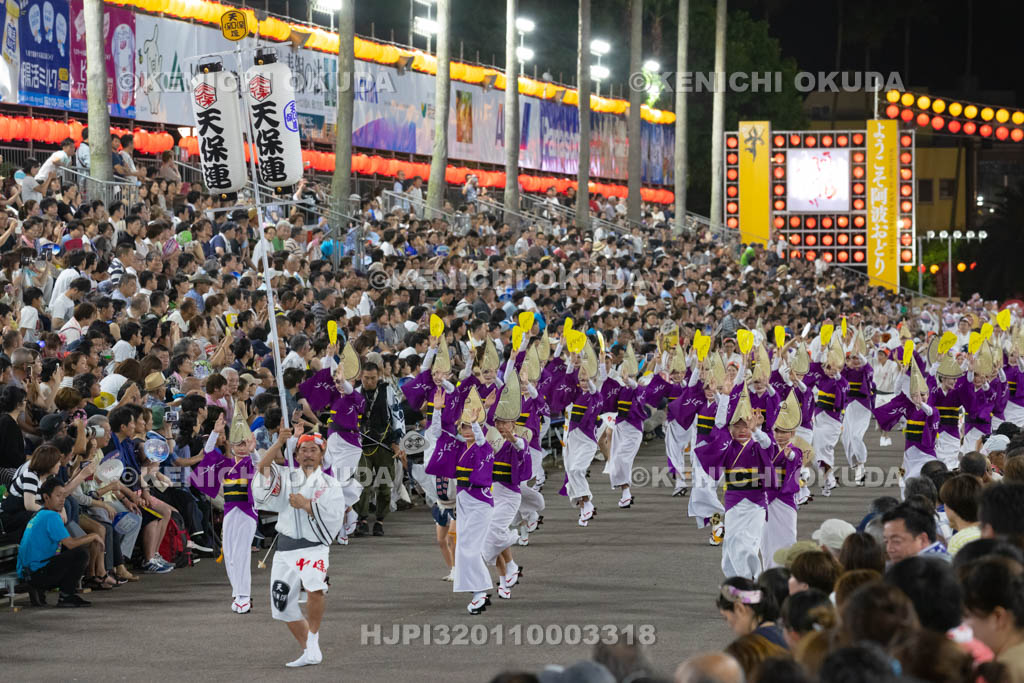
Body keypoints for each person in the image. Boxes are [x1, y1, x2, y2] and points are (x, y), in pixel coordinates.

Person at [252, 427, 345, 668]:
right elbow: (262, 468)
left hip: (313, 548)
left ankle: (313, 637)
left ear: (321, 454)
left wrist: (307, 506)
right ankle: (309, 650)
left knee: (315, 588)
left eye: (313, 450)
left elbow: (335, 516)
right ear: (296, 454)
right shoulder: (287, 477)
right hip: (285, 550)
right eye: (303, 450)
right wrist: (280, 442)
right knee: (281, 606)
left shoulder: (329, 483)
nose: (308, 454)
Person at [17, 477, 102, 607]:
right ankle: (66, 596)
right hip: (36, 574)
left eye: (64, 495)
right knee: (81, 554)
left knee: (69, 551)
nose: (62, 499)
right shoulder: (52, 516)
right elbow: (71, 544)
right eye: (58, 495)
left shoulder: (39, 514)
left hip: (27, 573)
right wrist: (94, 535)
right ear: (46, 497)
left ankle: (40, 589)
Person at [881, 502, 949, 563]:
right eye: (886, 541)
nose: (889, 549)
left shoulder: (930, 572)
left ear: (922, 540)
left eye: (896, 541)